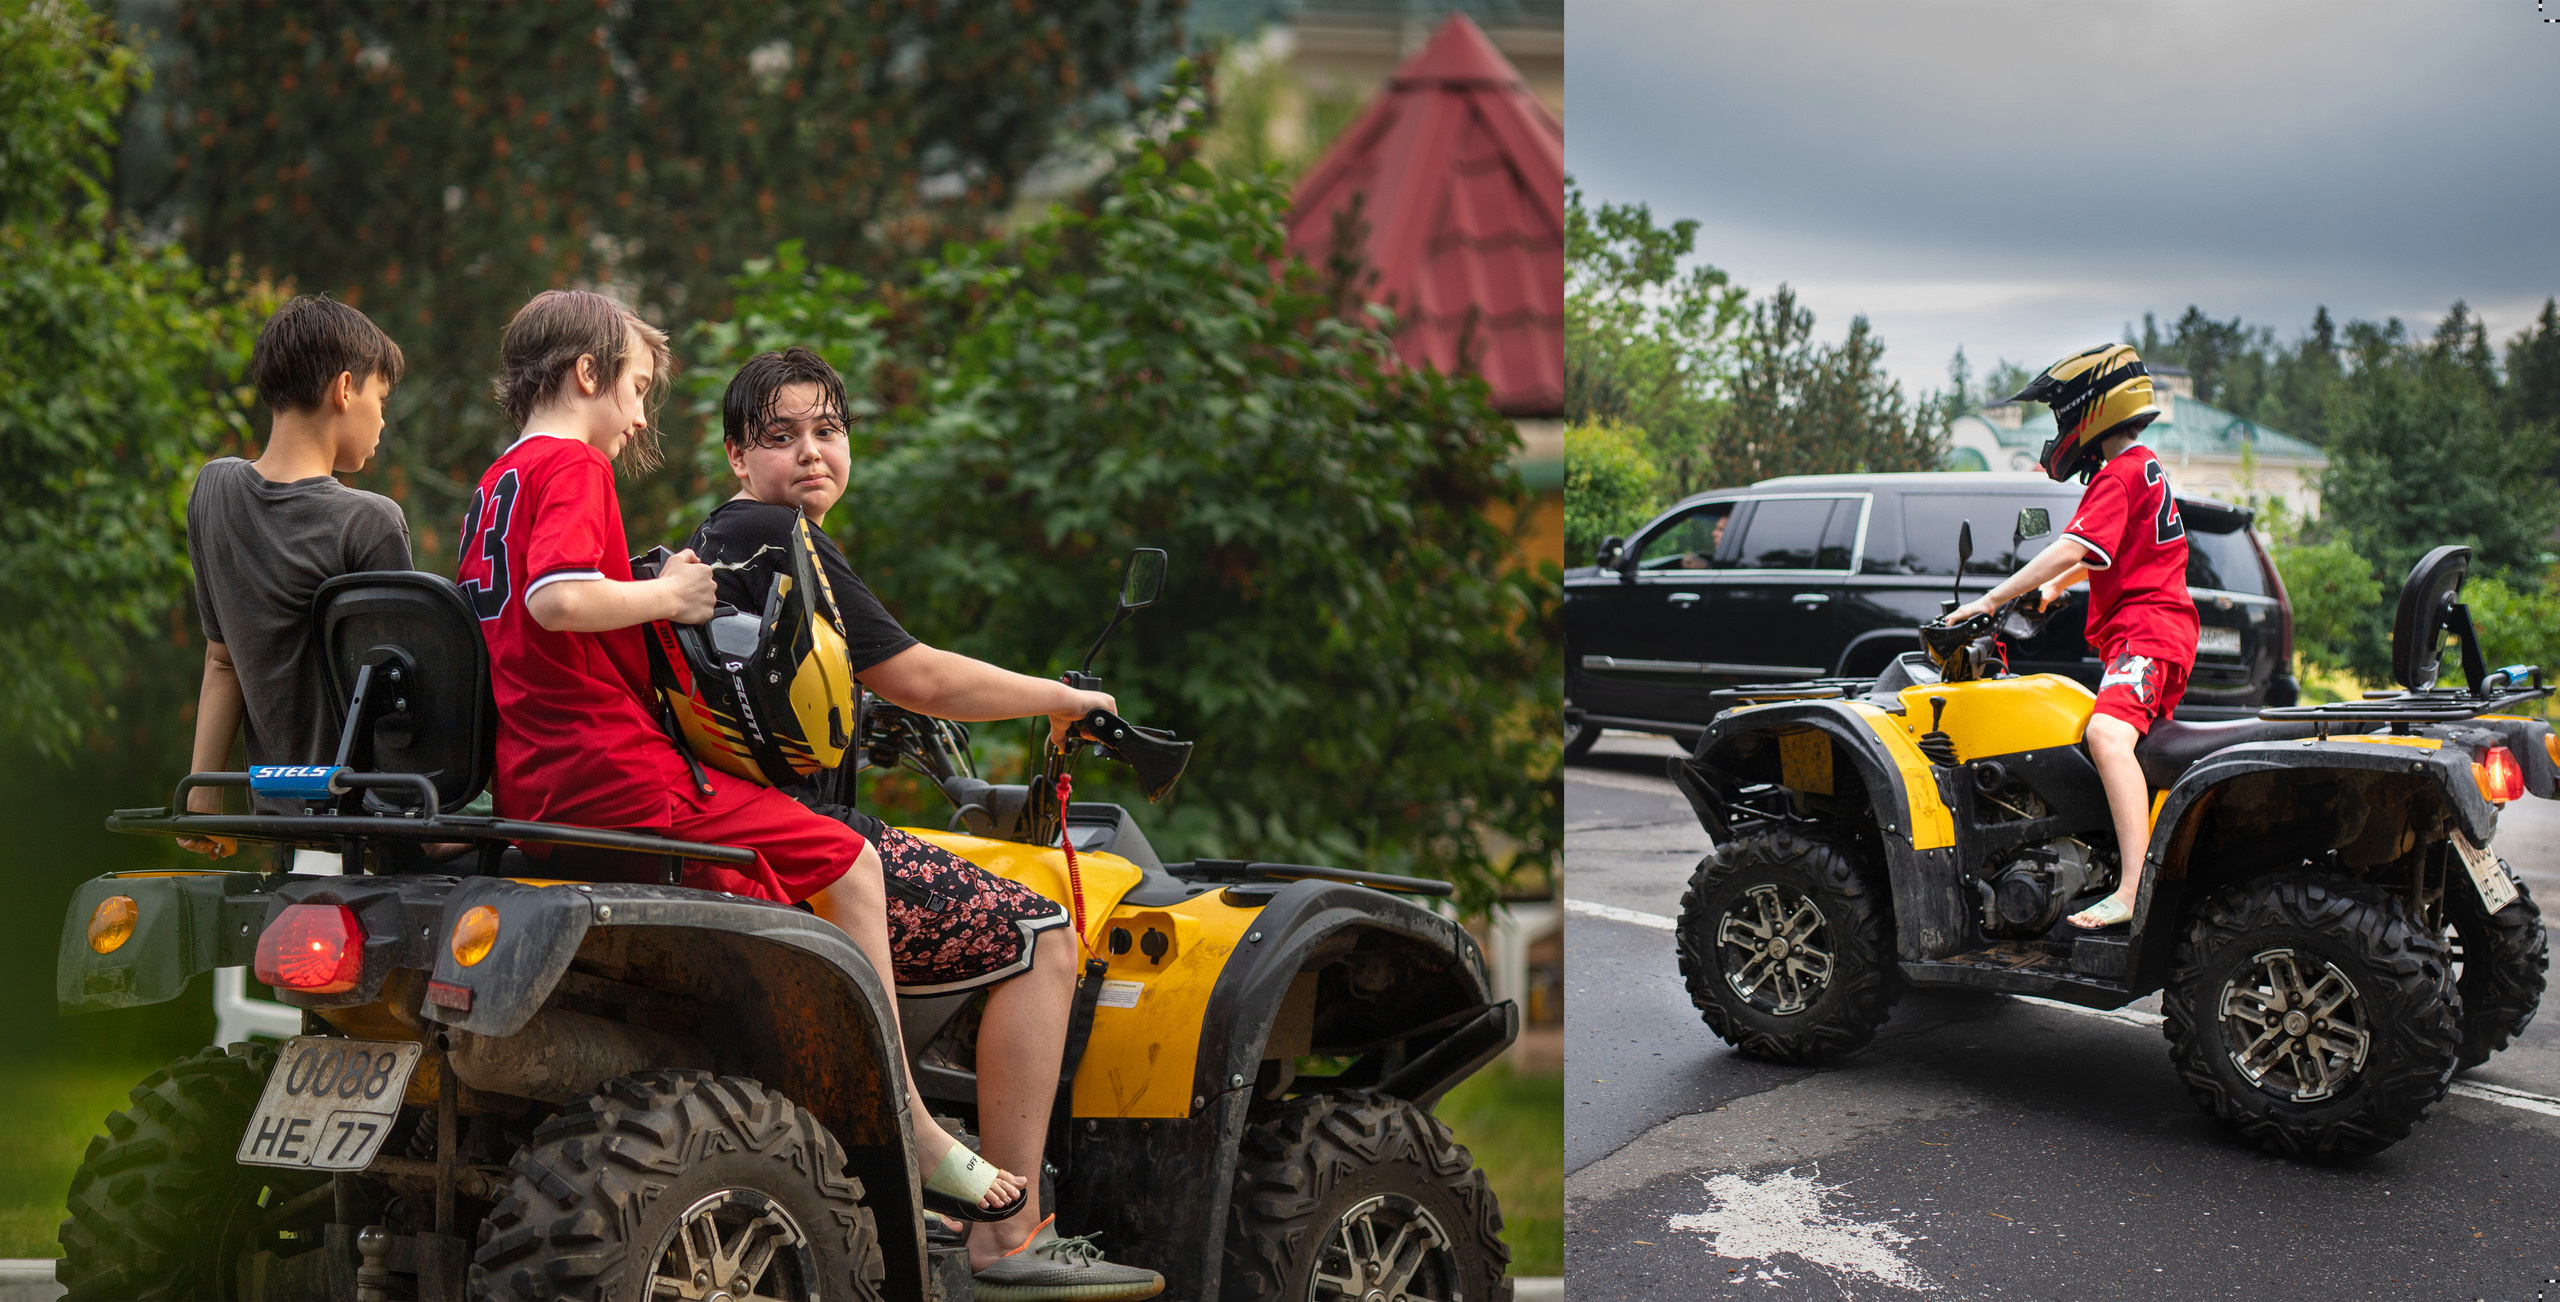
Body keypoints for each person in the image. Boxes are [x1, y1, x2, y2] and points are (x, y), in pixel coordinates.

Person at [454, 294, 1026, 1222]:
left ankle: (801, 1132)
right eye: (638, 386)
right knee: (848, 860)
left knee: (763, 882)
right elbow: (558, 600)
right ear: (589, 375)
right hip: (616, 775)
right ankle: (908, 1124)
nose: (640, 414)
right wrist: (671, 596)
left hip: (535, 780)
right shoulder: (573, 465)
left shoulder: (497, 481)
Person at [681, 347, 1164, 1301]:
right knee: (1041, 935)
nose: (810, 452)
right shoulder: (783, 537)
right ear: (738, 454)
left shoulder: (719, 541)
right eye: (780, 436)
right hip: (807, 842)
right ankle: (1010, 1233)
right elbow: (920, 674)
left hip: (740, 829)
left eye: (828, 430)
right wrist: (1062, 700)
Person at [1949, 343, 2196, 930]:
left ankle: (2134, 890)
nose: (2061, 430)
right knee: (2126, 748)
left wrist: (1991, 598)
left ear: (2092, 410)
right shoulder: (2145, 467)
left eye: (2063, 415)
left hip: (2145, 633)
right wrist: (2056, 587)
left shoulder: (2117, 475)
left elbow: (2074, 545)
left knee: (2106, 736)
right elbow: (2109, 553)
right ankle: (2119, 867)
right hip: (2160, 633)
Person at [180, 295, 410, 856]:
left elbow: (221, 662)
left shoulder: (213, 493)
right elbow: (406, 700)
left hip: (282, 825)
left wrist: (202, 797)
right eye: (381, 398)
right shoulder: (369, 522)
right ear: (345, 389)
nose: (382, 419)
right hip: (371, 830)